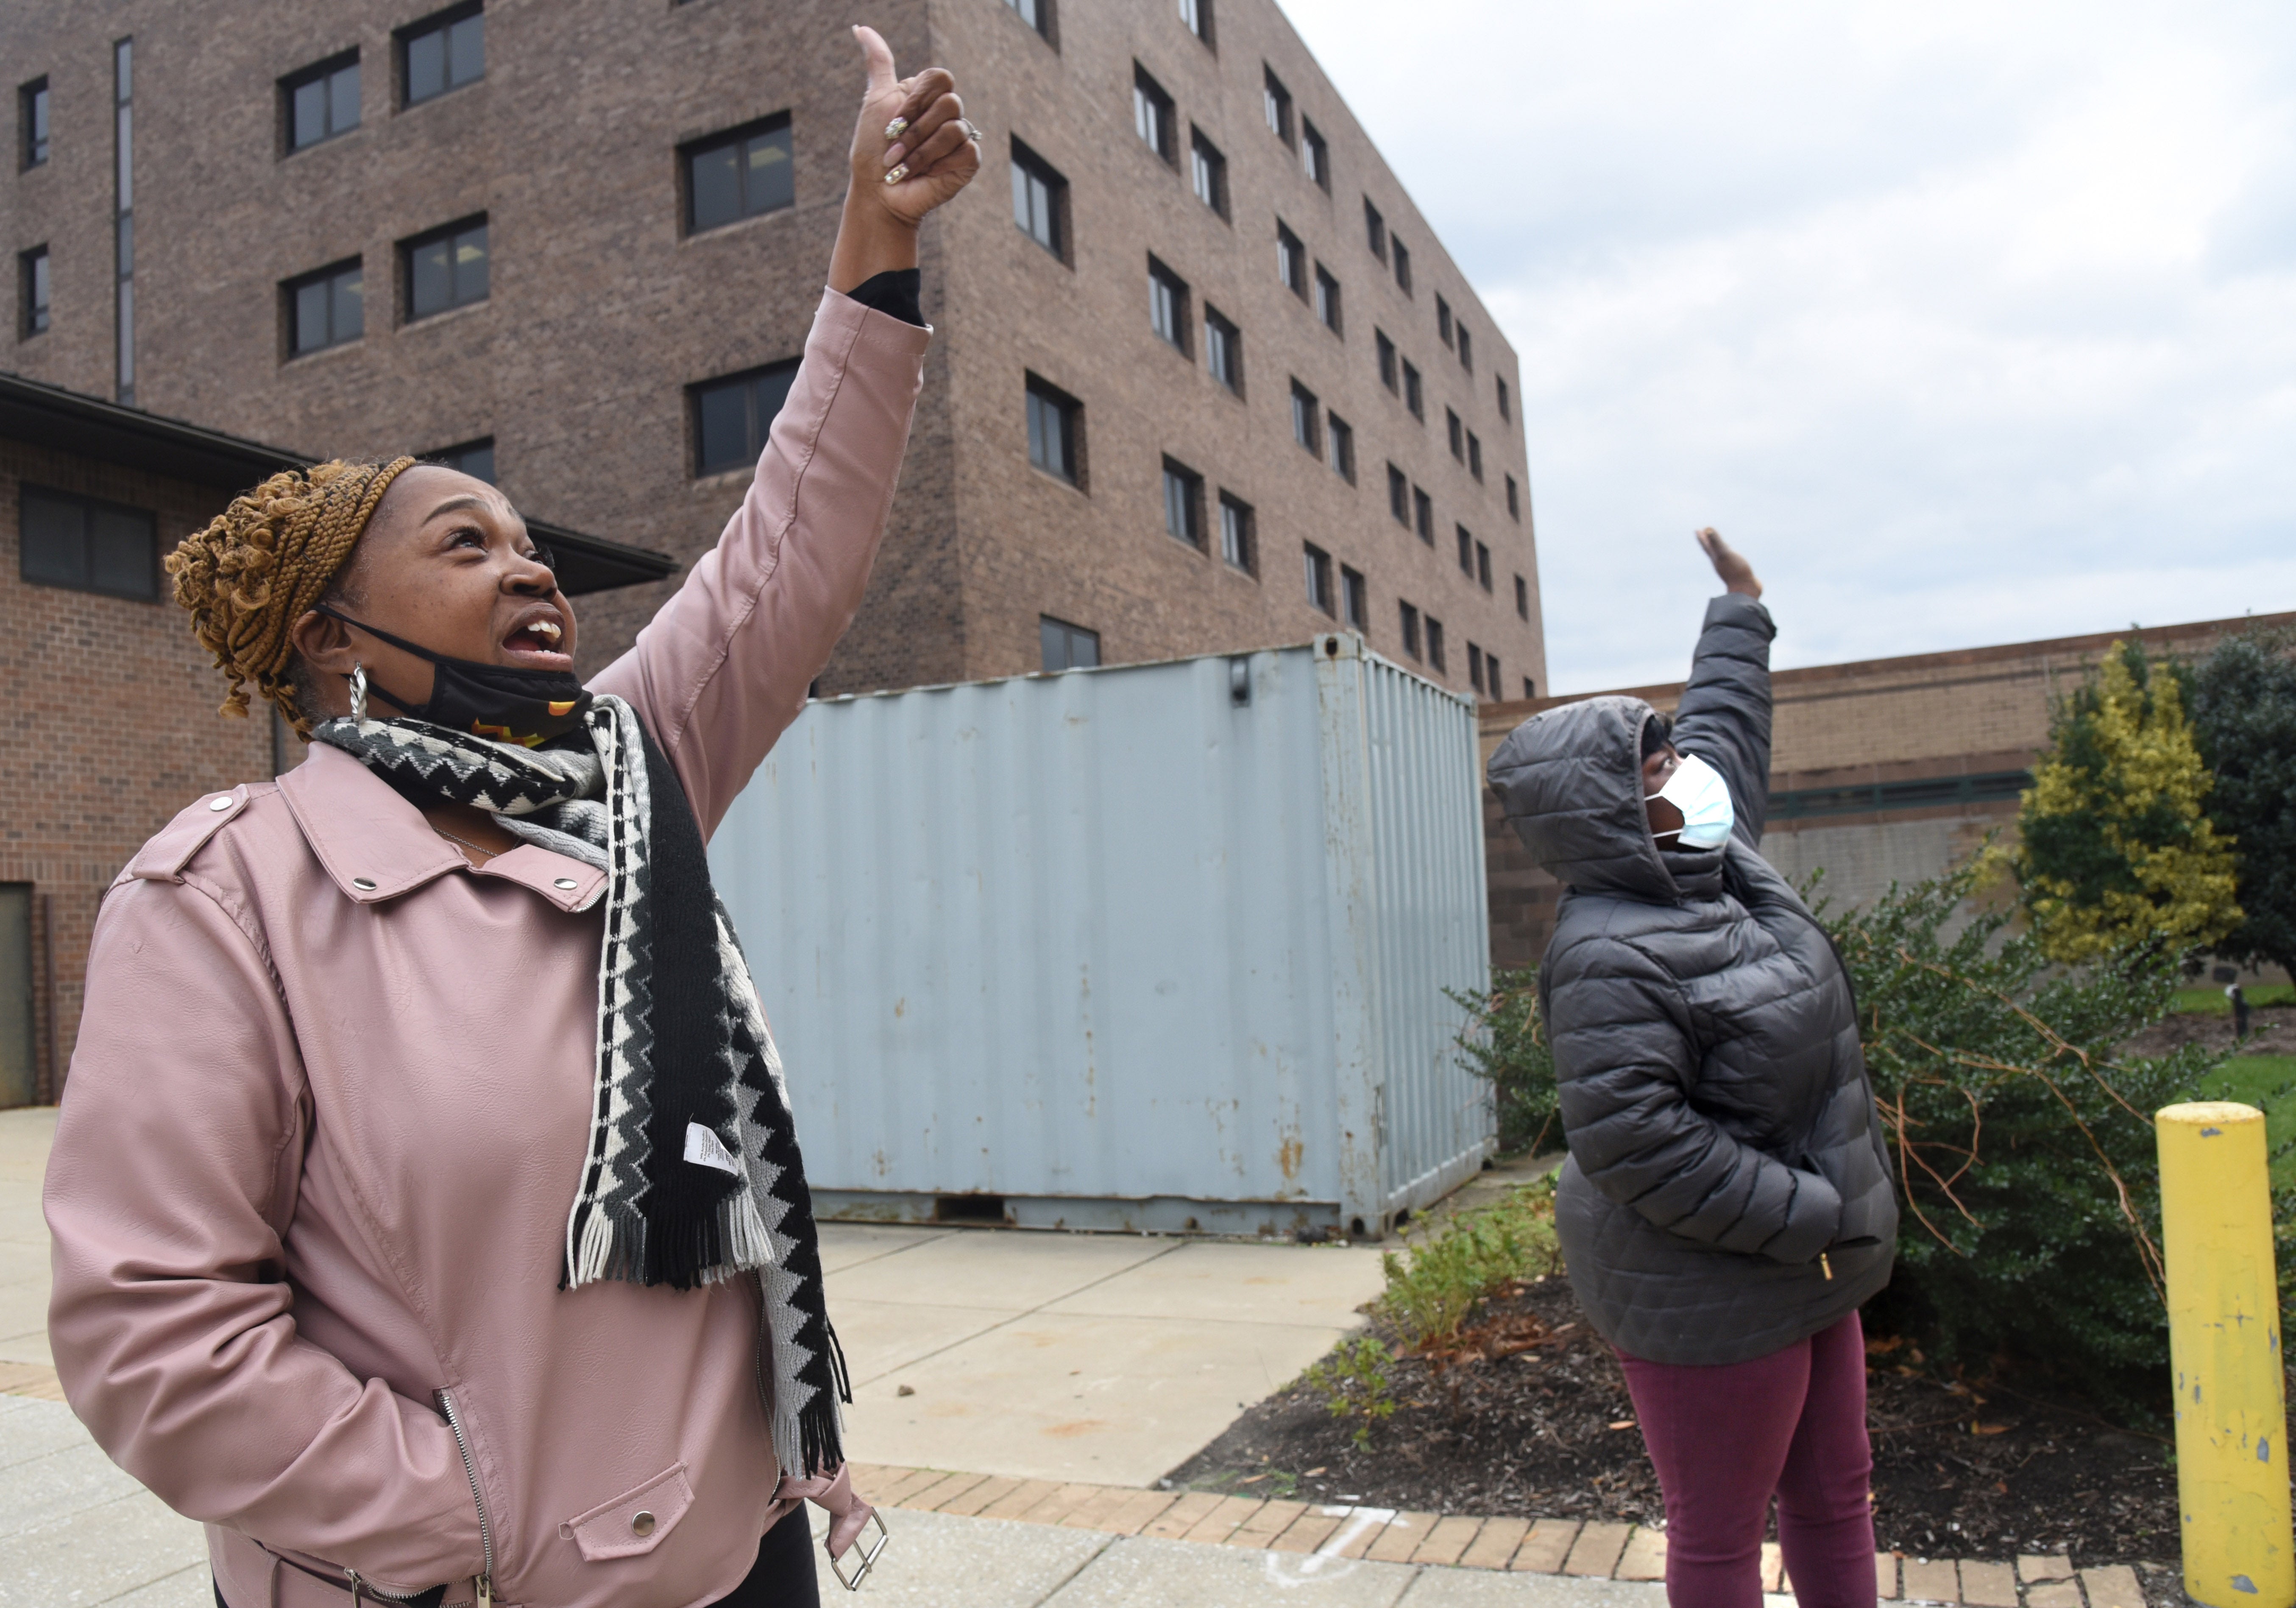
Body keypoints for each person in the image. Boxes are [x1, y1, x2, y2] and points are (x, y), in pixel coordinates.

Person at [42, 29, 978, 1608]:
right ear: (331, 634)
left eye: (530, 542)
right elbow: (158, 1336)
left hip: (746, 1555)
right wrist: (479, 1518)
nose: (529, 568)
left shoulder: (626, 773)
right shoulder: (227, 893)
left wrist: (870, 254)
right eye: (463, 543)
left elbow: (781, 560)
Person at [1486, 530, 1899, 1608]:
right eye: (1654, 771)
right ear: (1602, 816)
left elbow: (1726, 727)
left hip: (1810, 1262)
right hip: (1702, 1289)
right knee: (1719, 1540)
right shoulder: (1603, 955)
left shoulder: (1721, 866)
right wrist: (1811, 1210)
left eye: (1672, 760)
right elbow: (1634, 1144)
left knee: (1836, 1495)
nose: (1685, 777)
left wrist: (1739, 611)